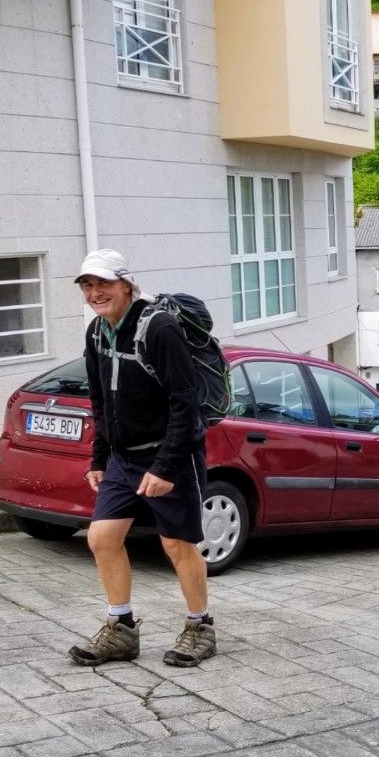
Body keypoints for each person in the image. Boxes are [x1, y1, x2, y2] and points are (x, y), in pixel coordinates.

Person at [67, 249, 217, 669]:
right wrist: (99, 457)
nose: (96, 293)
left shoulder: (160, 327)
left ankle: (200, 627)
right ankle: (122, 630)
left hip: (170, 454)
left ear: (126, 284)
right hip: (122, 458)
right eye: (88, 286)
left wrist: (165, 467)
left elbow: (185, 402)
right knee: (101, 538)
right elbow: (99, 398)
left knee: (177, 544)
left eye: (104, 284)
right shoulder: (98, 331)